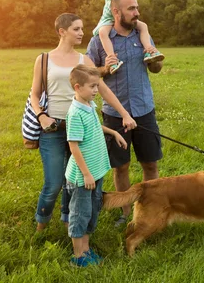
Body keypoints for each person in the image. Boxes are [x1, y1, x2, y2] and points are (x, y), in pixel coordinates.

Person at [30, 12, 136, 232]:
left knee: (76, 181)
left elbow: (103, 90)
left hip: (80, 128)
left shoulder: (83, 60)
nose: (82, 33)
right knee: (53, 183)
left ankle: (70, 223)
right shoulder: (44, 59)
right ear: (62, 31)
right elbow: (34, 94)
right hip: (52, 129)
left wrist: (124, 113)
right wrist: (42, 116)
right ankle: (40, 227)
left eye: (82, 29)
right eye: (76, 29)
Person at [86, 0, 164, 227]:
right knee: (121, 167)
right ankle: (125, 212)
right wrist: (104, 69)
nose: (136, 12)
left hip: (144, 110)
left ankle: (150, 210)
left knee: (150, 163)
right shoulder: (99, 40)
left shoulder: (142, 35)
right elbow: (90, 73)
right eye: (131, 9)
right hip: (114, 114)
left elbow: (156, 69)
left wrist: (156, 60)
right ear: (116, 12)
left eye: (137, 8)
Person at [65, 64, 128, 266]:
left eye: (97, 85)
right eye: (92, 86)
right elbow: (73, 146)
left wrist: (114, 132)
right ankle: (78, 256)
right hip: (83, 177)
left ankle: (86, 249)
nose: (96, 90)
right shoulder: (75, 113)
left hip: (95, 171)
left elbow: (94, 126)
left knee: (91, 211)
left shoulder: (89, 105)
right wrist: (86, 174)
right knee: (80, 214)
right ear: (77, 87)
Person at [92, 0, 164, 74]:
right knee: (102, 33)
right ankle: (112, 59)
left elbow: (157, 69)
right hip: (108, 19)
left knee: (144, 26)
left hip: (141, 91)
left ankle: (149, 50)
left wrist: (154, 62)